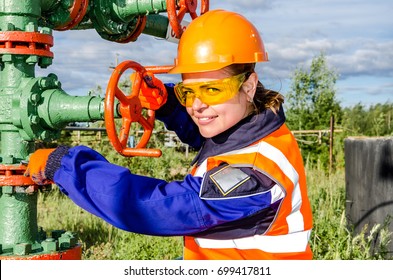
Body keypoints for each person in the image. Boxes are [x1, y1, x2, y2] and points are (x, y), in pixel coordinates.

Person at [26, 9, 313, 260]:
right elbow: (211, 138)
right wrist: (166, 101)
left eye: (213, 90)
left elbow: (151, 207)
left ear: (249, 86)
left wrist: (64, 165)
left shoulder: (255, 175)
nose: (198, 106)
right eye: (188, 91)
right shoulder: (256, 126)